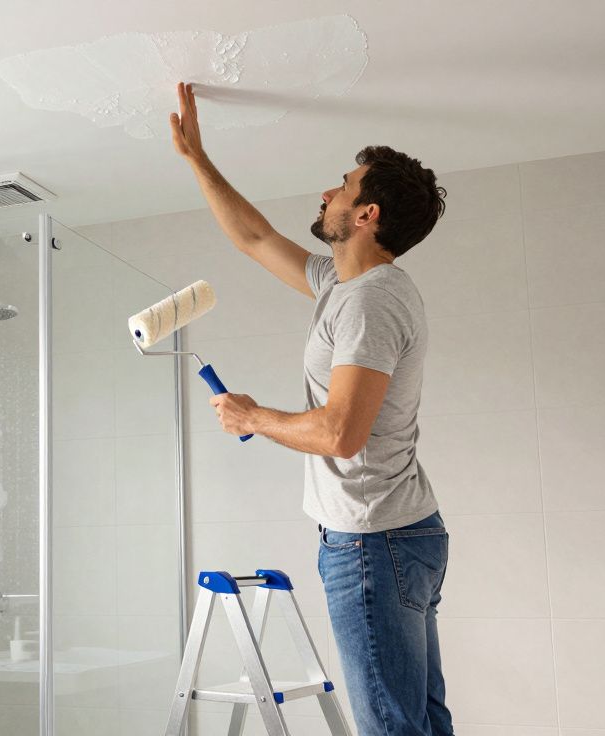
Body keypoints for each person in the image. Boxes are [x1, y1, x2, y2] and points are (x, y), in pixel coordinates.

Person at [169, 81, 452, 736]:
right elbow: (254, 237)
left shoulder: (370, 301)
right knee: (419, 721)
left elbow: (340, 433)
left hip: (372, 542)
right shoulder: (346, 287)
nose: (327, 193)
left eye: (342, 187)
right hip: (393, 535)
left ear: (365, 215)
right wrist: (196, 159)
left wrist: (252, 417)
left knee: (393, 726)